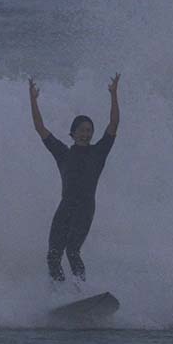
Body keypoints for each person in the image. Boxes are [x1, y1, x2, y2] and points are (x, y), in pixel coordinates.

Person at [28, 73, 120, 285]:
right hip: (65, 207)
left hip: (85, 208)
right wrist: (33, 100)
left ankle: (82, 290)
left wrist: (114, 94)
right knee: (53, 255)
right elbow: (40, 128)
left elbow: (114, 124)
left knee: (72, 251)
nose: (86, 134)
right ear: (73, 133)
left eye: (89, 131)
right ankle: (60, 294)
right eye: (82, 130)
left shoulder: (99, 152)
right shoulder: (63, 153)